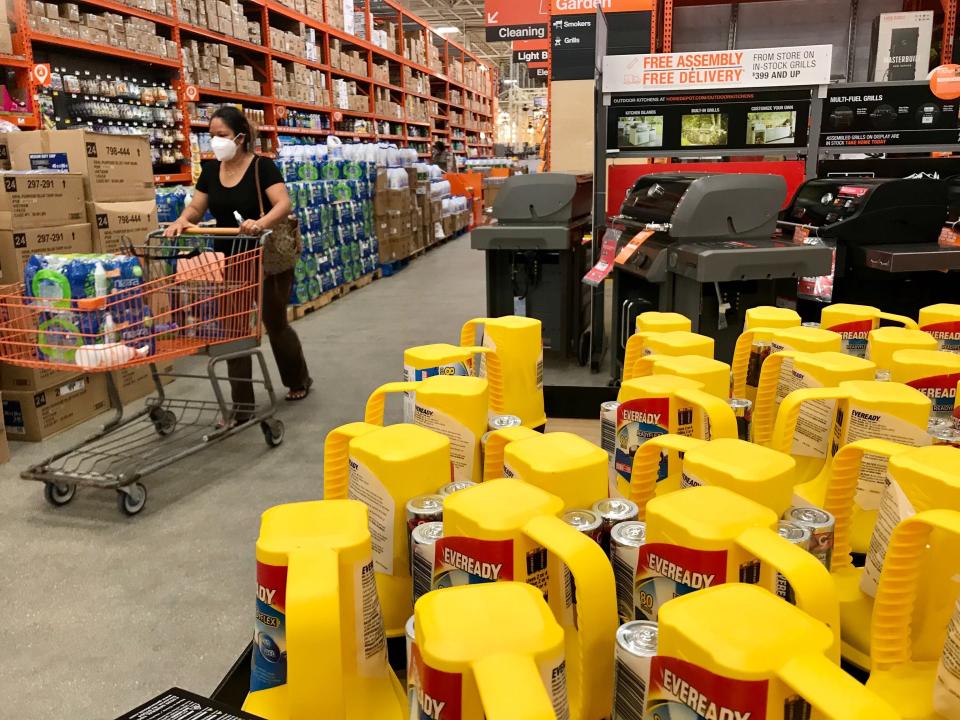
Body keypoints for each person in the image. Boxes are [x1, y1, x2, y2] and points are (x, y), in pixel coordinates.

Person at [164, 106, 312, 420]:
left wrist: (261, 222)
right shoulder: (210, 171)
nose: (215, 142)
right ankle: (242, 404)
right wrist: (181, 220)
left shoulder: (262, 167)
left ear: (241, 137)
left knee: (274, 322)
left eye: (222, 136)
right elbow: (196, 208)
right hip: (230, 259)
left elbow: (283, 203)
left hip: (266, 256)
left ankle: (298, 378)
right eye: (211, 136)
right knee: (233, 330)